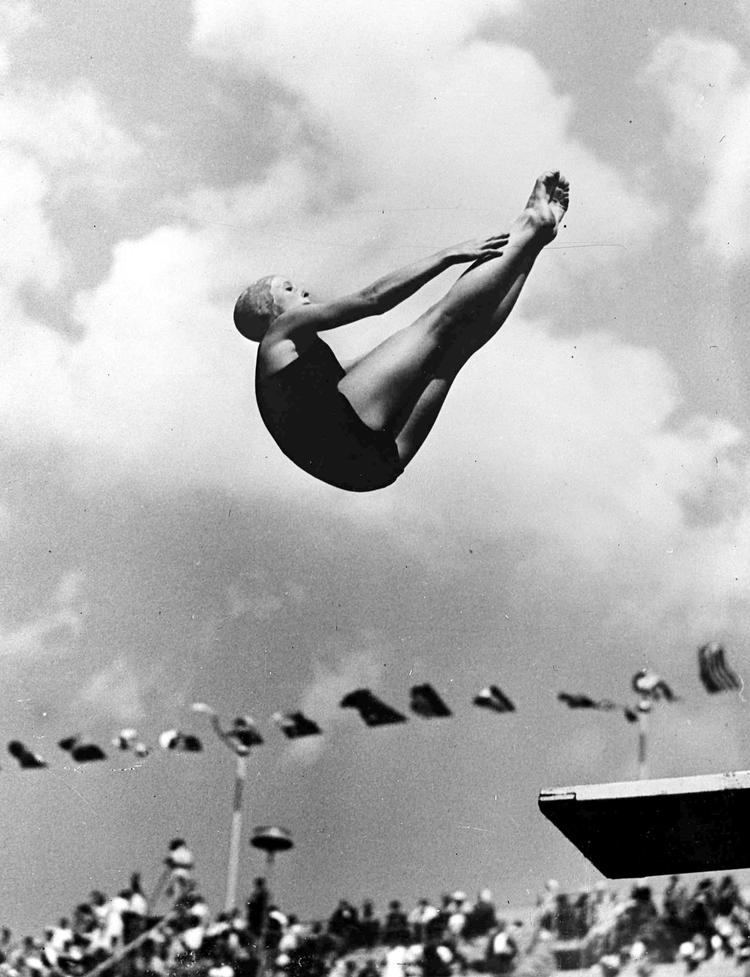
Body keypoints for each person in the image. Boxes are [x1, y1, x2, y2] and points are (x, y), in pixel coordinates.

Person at [235, 171, 569, 491]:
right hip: (345, 435)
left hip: (373, 468)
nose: (303, 291)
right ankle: (529, 224)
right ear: (269, 313)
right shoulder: (281, 330)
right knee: (439, 323)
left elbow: (348, 379)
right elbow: (373, 299)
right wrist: (447, 255)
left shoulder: (285, 374)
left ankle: (534, 241)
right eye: (289, 289)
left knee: (455, 348)